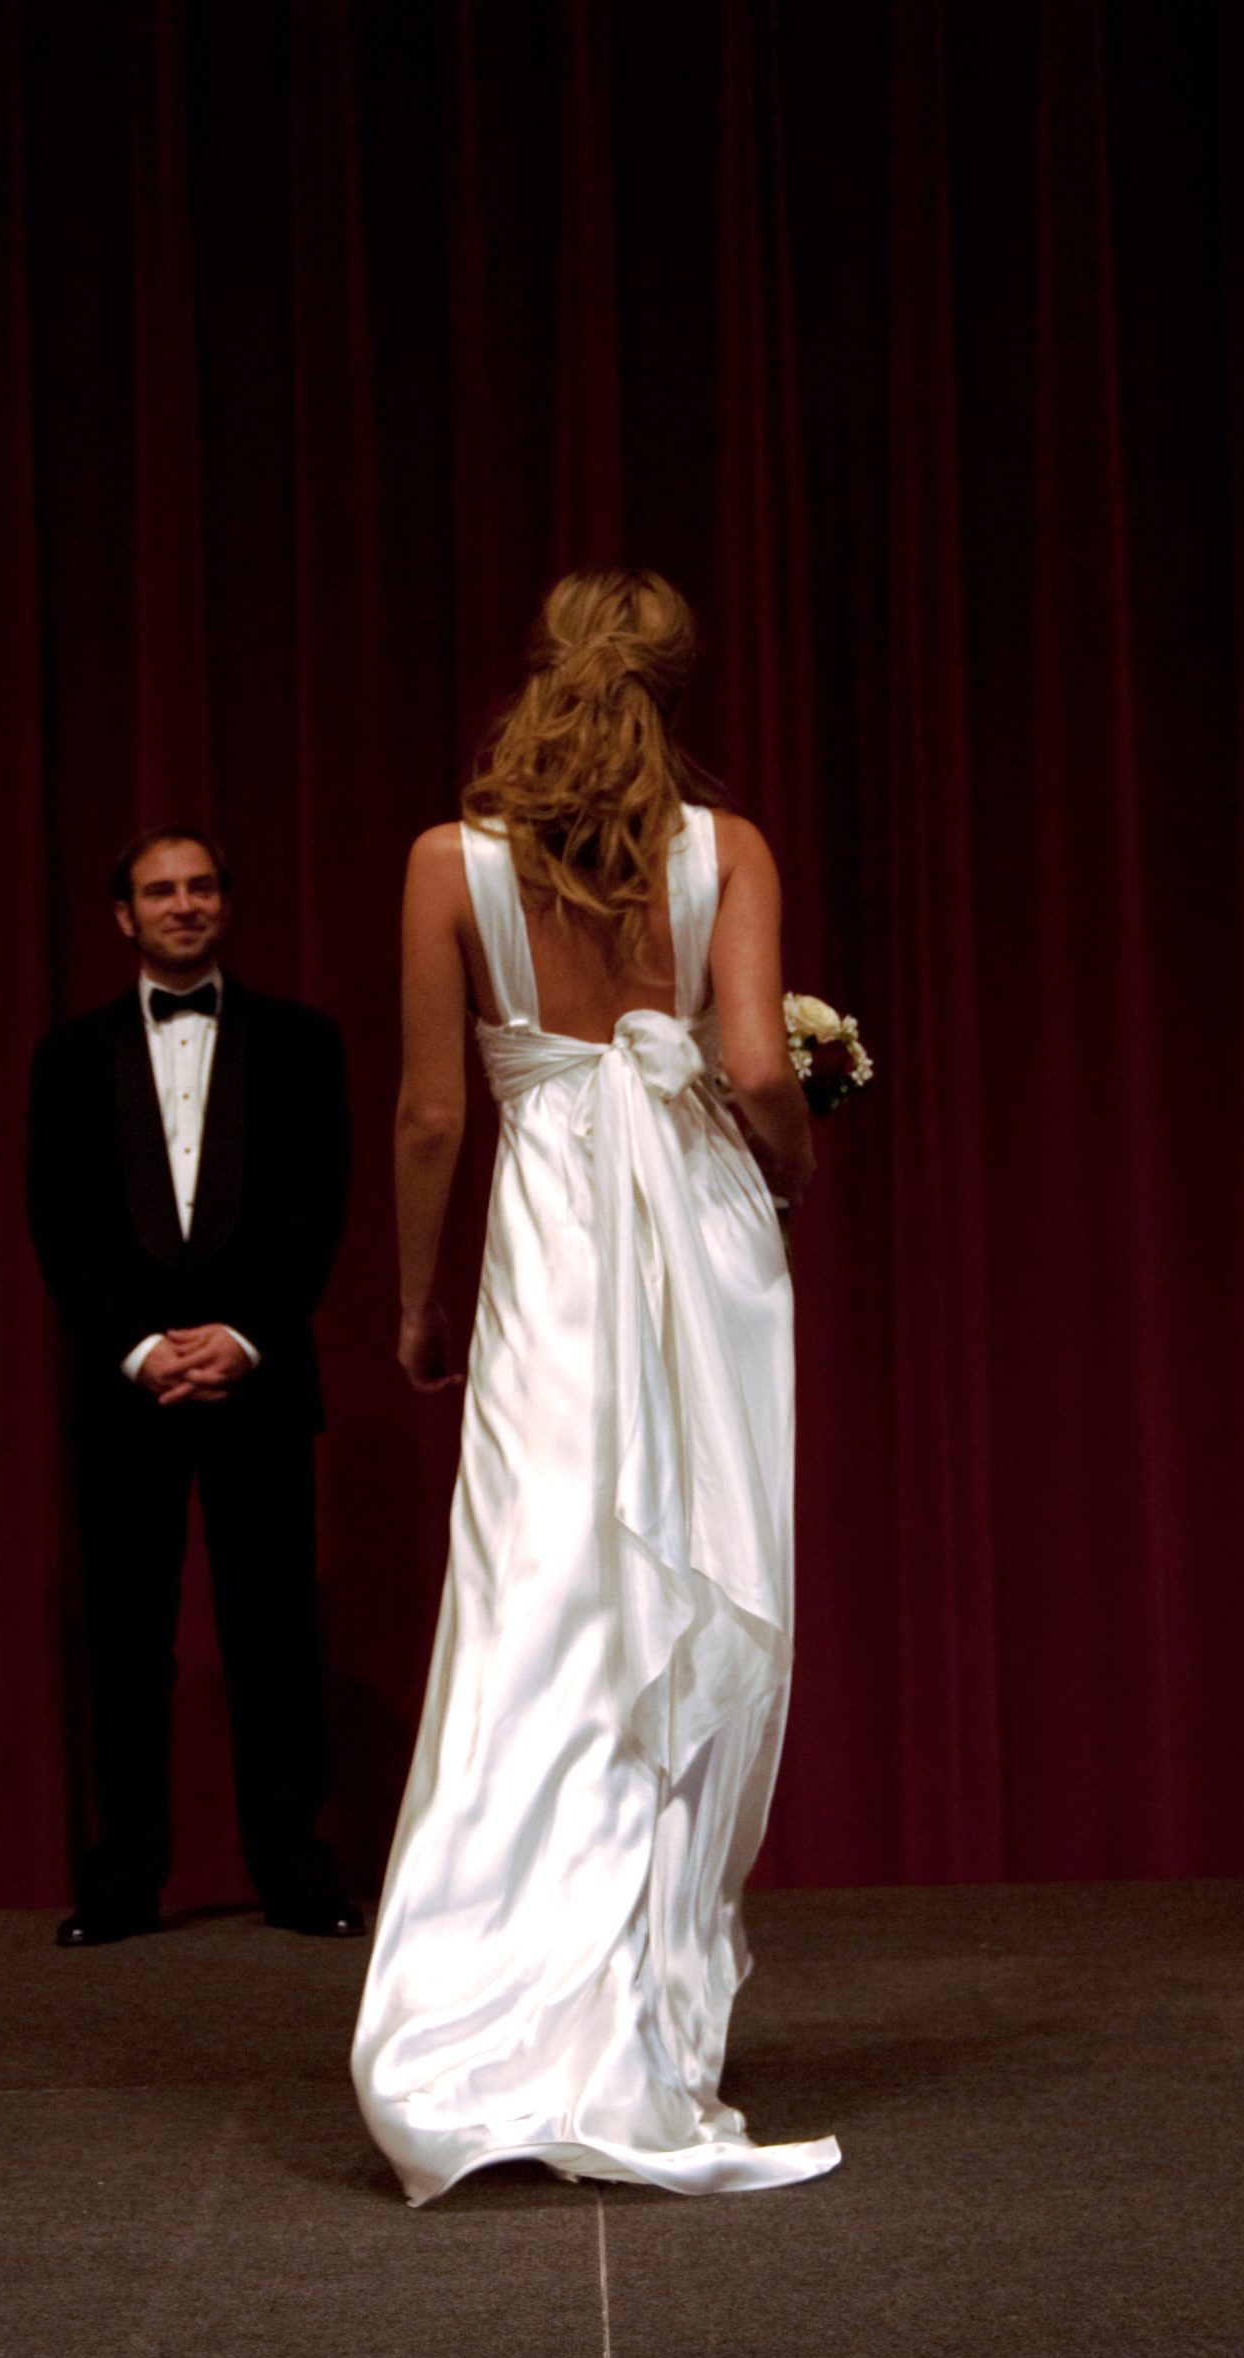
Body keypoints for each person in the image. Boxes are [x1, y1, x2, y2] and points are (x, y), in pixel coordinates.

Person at [351, 570, 841, 2200]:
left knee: (536, 1607)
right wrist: (785, 1168)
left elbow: (433, 1116)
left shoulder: (448, 861)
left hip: (550, 1253)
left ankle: (483, 2022)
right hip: (698, 1246)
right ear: (674, 685)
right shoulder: (728, 849)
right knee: (683, 1590)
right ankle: (636, 2024)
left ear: (535, 674)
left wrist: (416, 1301)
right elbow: (755, 1065)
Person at [26, 829, 360, 1946]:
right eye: (161, 890)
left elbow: (319, 1203)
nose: (184, 904)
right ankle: (122, 1882)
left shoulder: (303, 1041)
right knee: (127, 1643)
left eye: (201, 886)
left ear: (225, 903)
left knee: (274, 1635)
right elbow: (57, 1223)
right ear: (124, 916)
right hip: (126, 1391)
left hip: (259, 1381)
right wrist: (139, 1347)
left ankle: (295, 1873)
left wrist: (245, 1334)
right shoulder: (67, 1055)